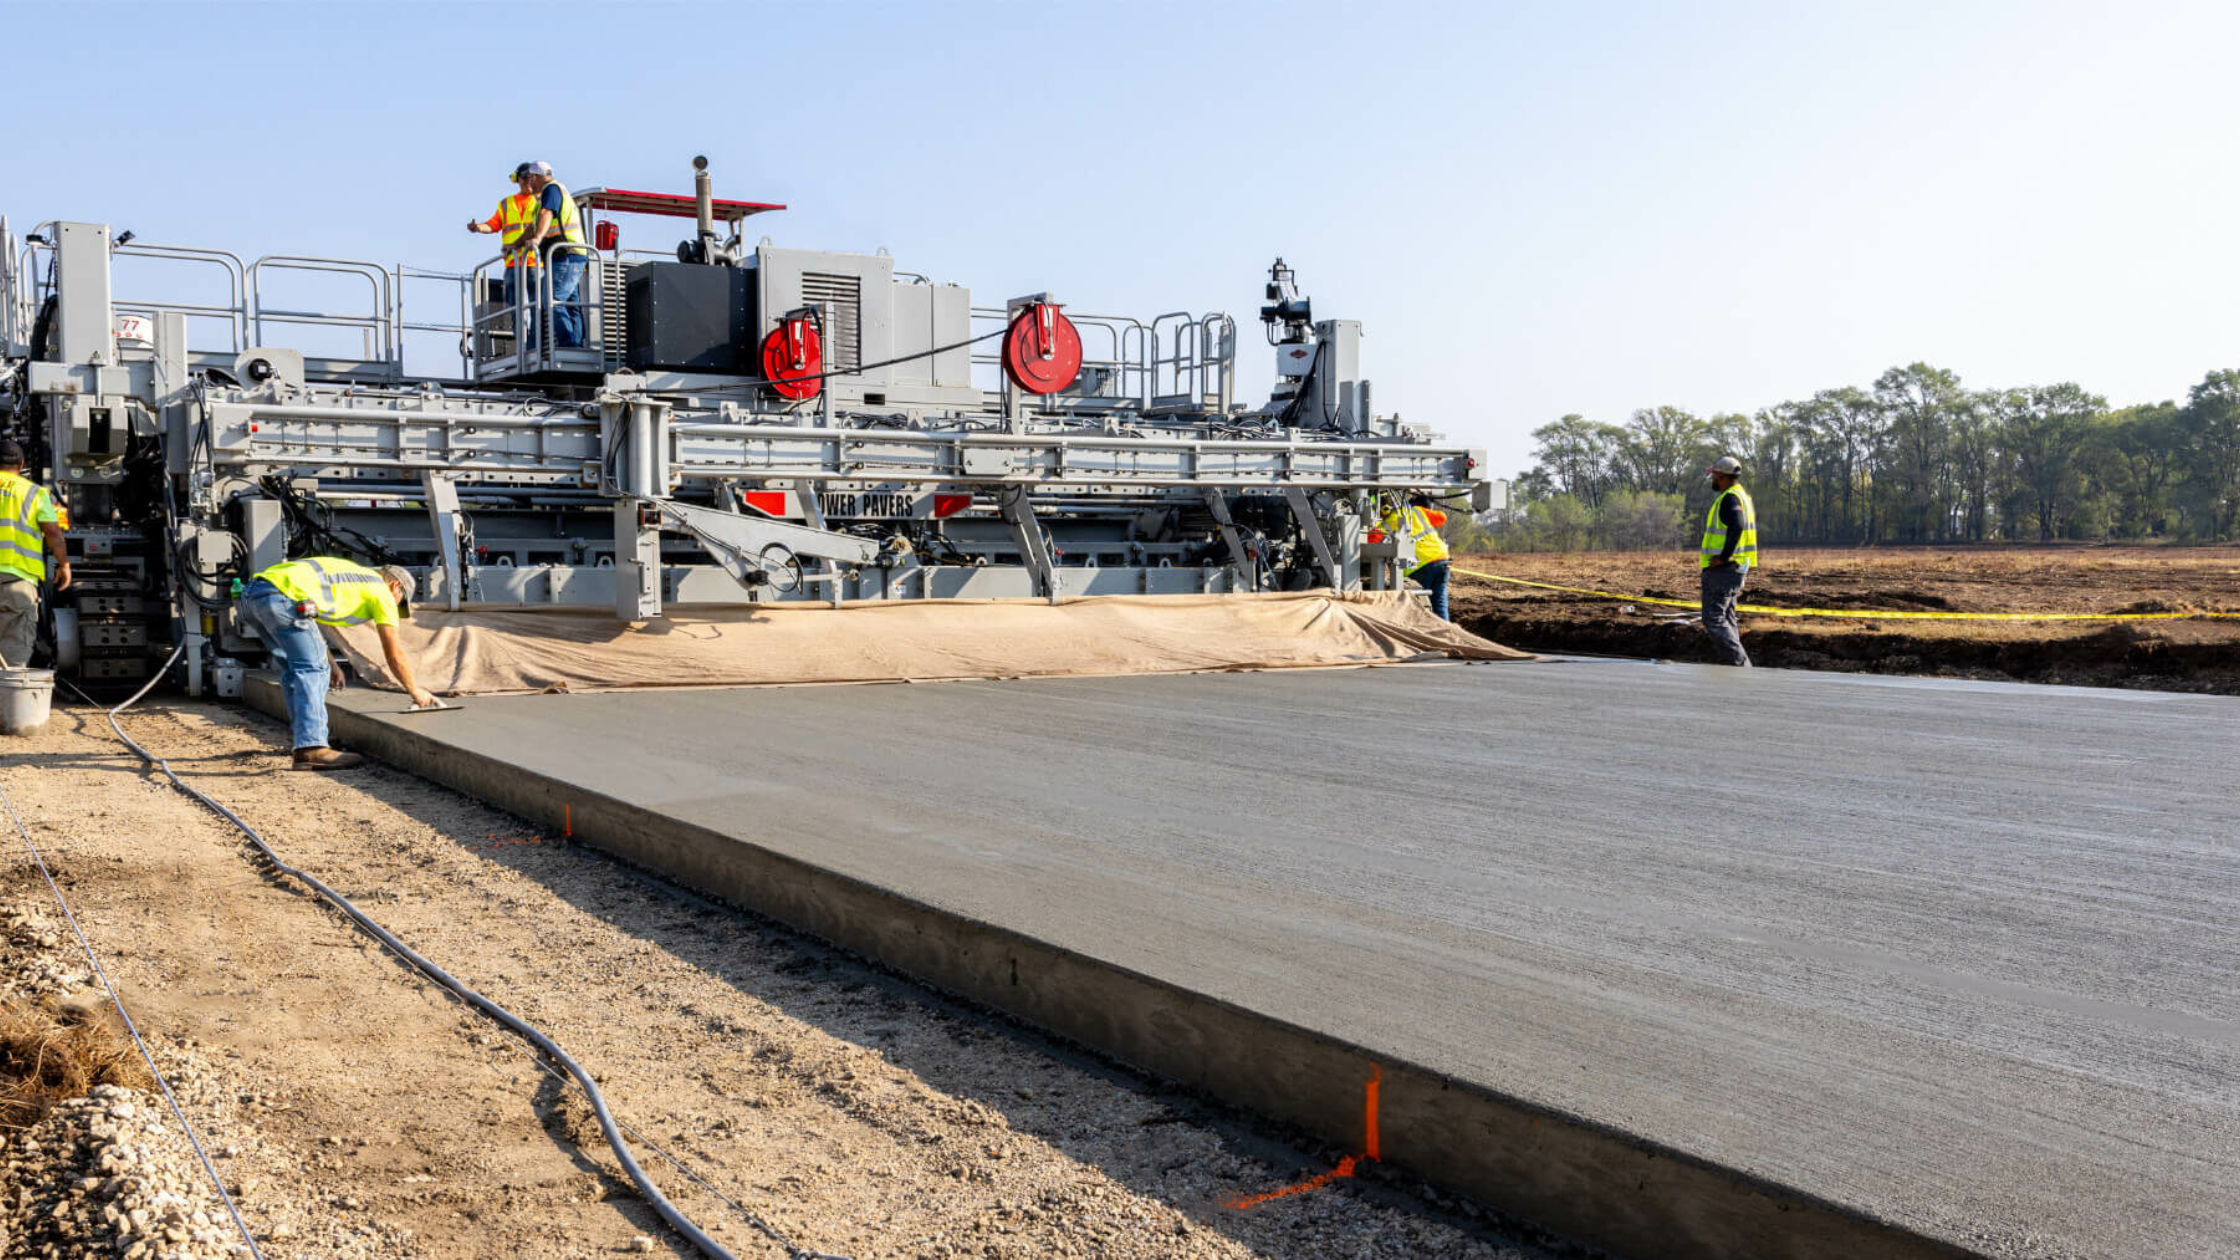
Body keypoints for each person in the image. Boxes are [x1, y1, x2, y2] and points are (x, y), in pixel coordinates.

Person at [237, 557, 437, 770]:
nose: (396, 606)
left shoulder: (352, 578)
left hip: (252, 597)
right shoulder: (381, 592)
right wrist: (415, 690)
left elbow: (312, 624)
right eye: (400, 600)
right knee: (312, 669)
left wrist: (331, 664)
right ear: (395, 585)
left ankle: (304, 742)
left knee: (296, 670)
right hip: (282, 597)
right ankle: (312, 747)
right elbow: (394, 654)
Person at [0, 438, 69, 667]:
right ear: (21, 465)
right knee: (15, 652)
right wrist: (63, 564)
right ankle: (10, 701)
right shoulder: (35, 493)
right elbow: (53, 533)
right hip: (19, 580)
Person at [511, 160, 588, 349]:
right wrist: (515, 244)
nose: (529, 184)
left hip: (566, 254)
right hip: (565, 255)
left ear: (536, 177)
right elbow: (534, 226)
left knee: (552, 300)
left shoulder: (551, 190)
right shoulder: (546, 196)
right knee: (570, 303)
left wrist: (537, 239)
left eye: (530, 179)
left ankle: (569, 344)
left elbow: (546, 214)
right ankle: (575, 343)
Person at [1699, 455, 1758, 667]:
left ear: (1722, 476)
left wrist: (1723, 557)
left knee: (1713, 618)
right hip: (1736, 567)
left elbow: (1737, 525)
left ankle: (1740, 665)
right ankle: (1737, 666)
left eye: (1713, 475)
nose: (1712, 479)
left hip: (1723, 569)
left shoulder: (1730, 498)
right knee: (1727, 617)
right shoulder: (1742, 496)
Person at [466, 166, 543, 311]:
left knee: (537, 305)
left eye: (531, 178)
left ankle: (533, 334)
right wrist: (477, 228)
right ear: (517, 180)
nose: (528, 181)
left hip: (535, 260)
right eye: (525, 178)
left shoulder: (541, 200)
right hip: (512, 262)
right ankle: (519, 332)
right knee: (513, 307)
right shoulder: (506, 204)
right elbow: (493, 224)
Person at [1379, 491, 1453, 620]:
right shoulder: (1417, 511)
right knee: (1440, 603)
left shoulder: (1387, 523)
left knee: (1418, 607)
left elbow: (1368, 541)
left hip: (1420, 565)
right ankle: (1445, 635)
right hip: (1441, 558)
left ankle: (1423, 635)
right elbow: (1441, 517)